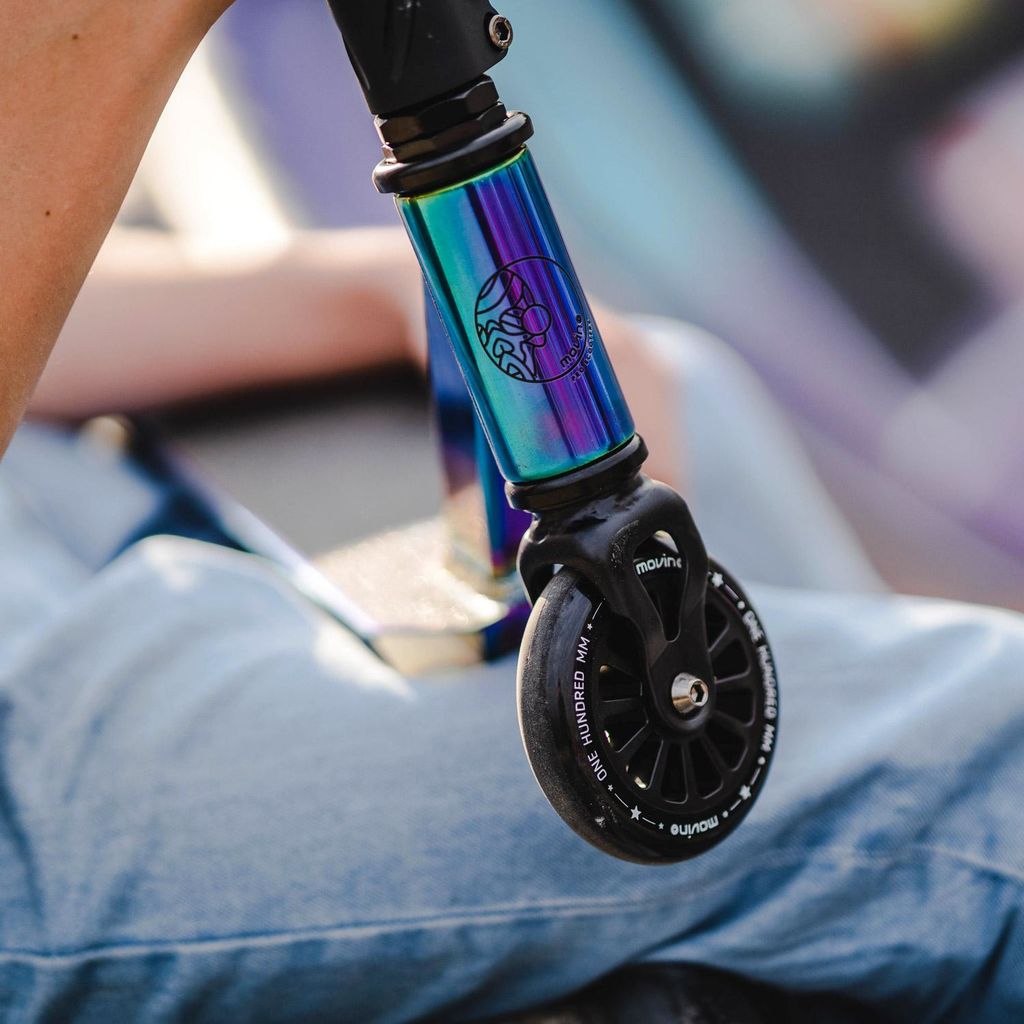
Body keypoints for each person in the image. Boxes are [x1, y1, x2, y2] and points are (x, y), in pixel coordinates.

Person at [1, 3, 1023, 1021]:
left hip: (66, 502)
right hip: (30, 783)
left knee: (685, 392)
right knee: (989, 766)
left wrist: (389, 288)